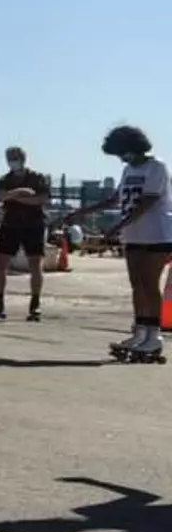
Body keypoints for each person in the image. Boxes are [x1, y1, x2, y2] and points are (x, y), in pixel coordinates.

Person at [87, 126, 171, 362]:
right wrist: (85, 211)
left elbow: (147, 202)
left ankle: (154, 335)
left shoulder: (156, 167)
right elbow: (116, 198)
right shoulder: (127, 170)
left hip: (156, 234)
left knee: (150, 283)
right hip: (133, 234)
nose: (122, 157)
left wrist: (119, 225)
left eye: (122, 152)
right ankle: (140, 331)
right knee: (137, 285)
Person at [0, 144, 51, 322]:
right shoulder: (3, 179)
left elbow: (40, 199)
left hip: (34, 224)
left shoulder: (37, 178)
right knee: (1, 263)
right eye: (10, 158)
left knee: (35, 264)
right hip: (10, 224)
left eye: (16, 157)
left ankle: (35, 302)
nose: (13, 161)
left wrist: (14, 197)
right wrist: (20, 193)